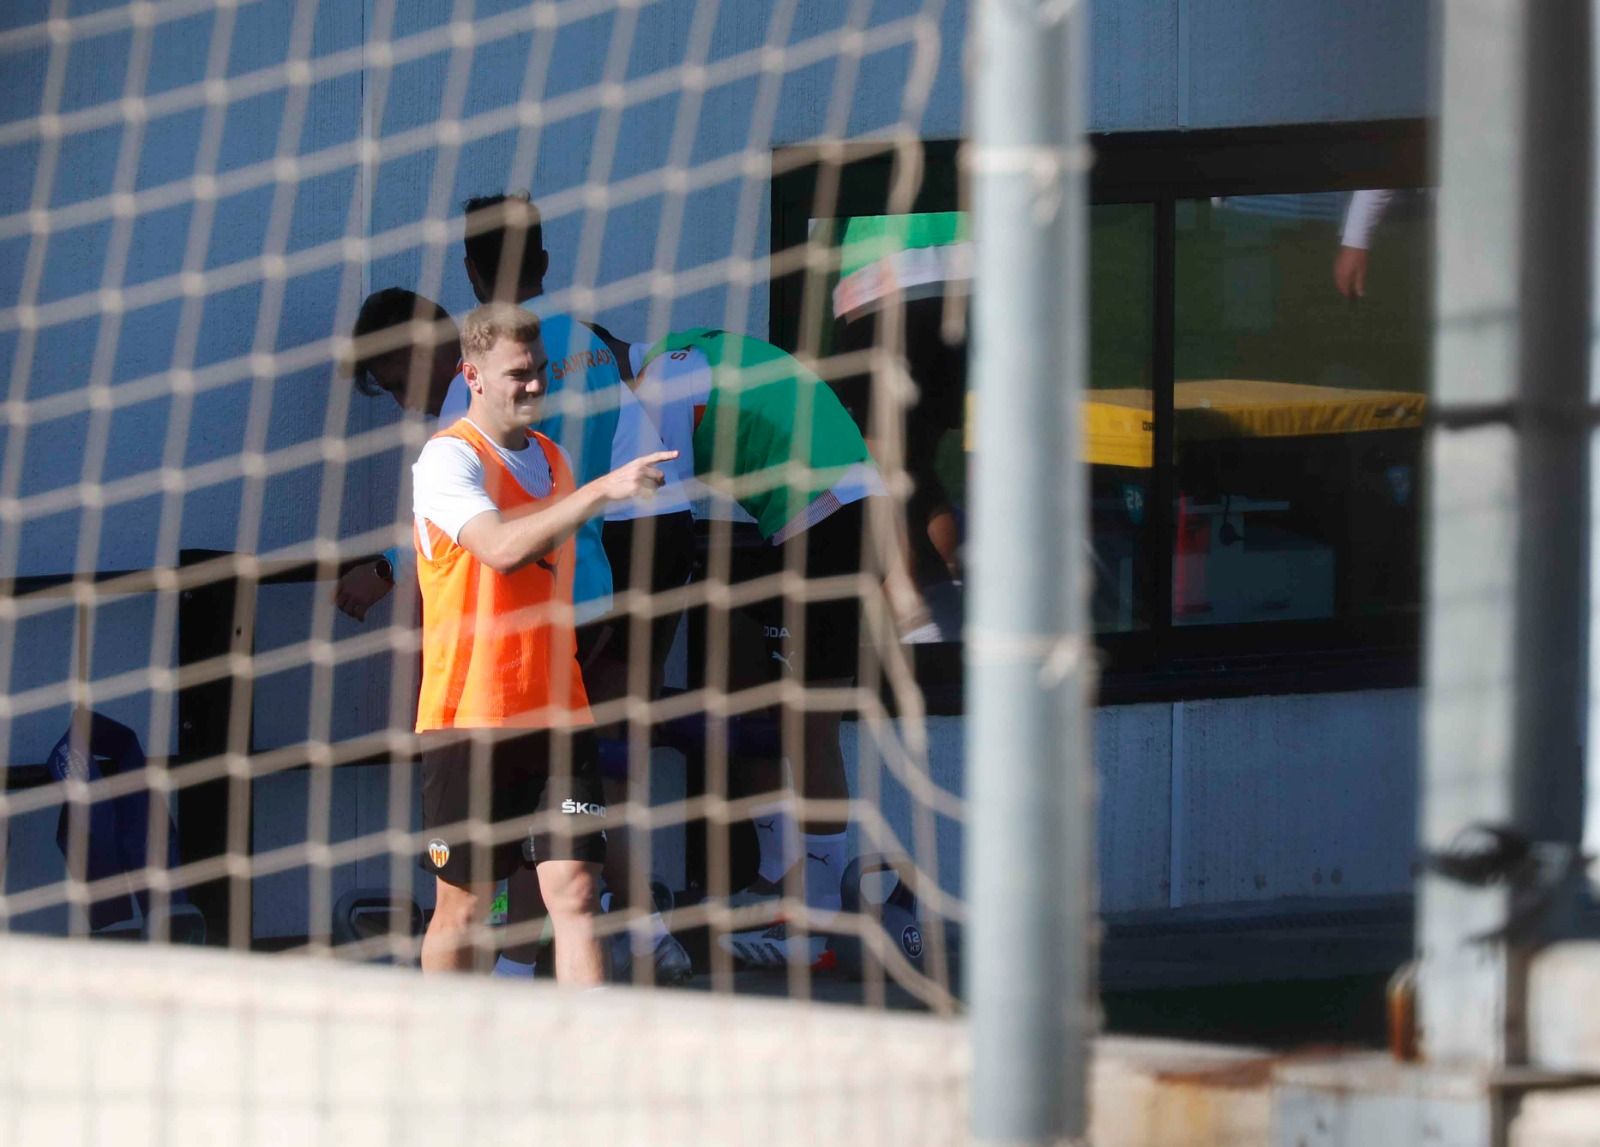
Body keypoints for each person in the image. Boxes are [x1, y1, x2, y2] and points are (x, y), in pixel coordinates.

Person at [462, 192, 696, 983]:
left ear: (470, 271)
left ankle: (518, 968)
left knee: (530, 792)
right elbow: (645, 484)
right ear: (546, 262)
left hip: (532, 611)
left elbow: (456, 517)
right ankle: (645, 935)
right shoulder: (592, 347)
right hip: (612, 587)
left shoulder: (479, 372)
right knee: (585, 782)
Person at [410, 301, 676, 980]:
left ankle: (583, 1045)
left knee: (578, 891)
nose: (534, 386)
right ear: (472, 376)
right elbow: (500, 549)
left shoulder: (555, 459)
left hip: (557, 710)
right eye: (517, 374)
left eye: (540, 372)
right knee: (466, 906)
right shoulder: (448, 458)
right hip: (471, 715)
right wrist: (601, 491)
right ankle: (441, 1038)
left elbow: (566, 570)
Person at [633, 327, 886, 967]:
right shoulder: (688, 349)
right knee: (753, 703)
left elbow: (666, 525)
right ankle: (778, 876)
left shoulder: (662, 384)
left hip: (833, 517)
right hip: (813, 517)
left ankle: (817, 923)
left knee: (810, 728)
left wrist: (647, 656)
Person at [336, 288, 468, 622]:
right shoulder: (504, 376)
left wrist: (386, 569)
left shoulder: (468, 406)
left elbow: (464, 511)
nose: (404, 402)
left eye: (399, 383)